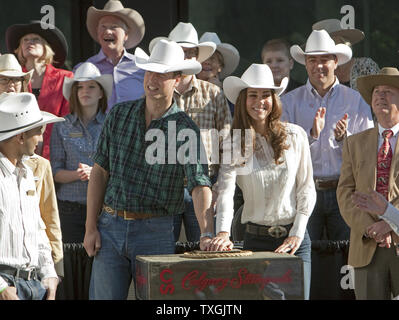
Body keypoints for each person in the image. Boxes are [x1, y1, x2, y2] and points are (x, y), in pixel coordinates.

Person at [83, 39, 232, 300]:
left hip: (156, 230)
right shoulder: (118, 114)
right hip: (110, 226)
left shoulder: (185, 128)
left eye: (161, 74)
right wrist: (90, 226)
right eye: (150, 71)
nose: (152, 80)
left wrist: (207, 232)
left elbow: (199, 184)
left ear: (177, 79)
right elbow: (99, 172)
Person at [210, 63, 316, 299]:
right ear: (243, 101)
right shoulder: (235, 143)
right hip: (254, 241)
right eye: (253, 95)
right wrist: (224, 232)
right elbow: (226, 193)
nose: (260, 101)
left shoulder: (295, 134)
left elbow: (306, 188)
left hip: (295, 240)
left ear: (274, 99)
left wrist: (297, 232)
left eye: (266, 95)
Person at [281, 29, 374, 241]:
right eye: (312, 60)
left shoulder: (356, 100)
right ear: (305, 63)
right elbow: (283, 150)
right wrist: (312, 134)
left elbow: (367, 151)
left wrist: (345, 139)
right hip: (303, 190)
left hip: (345, 190)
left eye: (324, 59)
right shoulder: (289, 102)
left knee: (348, 254)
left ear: (335, 62)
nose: (318, 66)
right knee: (304, 252)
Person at [150, 22, 232, 243]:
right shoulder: (156, 94)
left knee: (205, 251)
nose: (186, 57)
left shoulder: (214, 93)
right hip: (166, 186)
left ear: (197, 57)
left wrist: (218, 188)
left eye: (190, 52)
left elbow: (227, 145)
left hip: (206, 182)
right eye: (181, 52)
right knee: (163, 253)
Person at [337, 67, 399, 299]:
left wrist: (390, 223)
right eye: (377, 91)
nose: (380, 96)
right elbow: (345, 193)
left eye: (388, 91)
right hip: (367, 244)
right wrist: (370, 228)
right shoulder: (354, 143)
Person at [0, 53, 63, 278]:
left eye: (15, 80)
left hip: (33, 272)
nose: (10, 86)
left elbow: (47, 221)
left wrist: (55, 272)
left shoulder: (38, 165)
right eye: (3, 79)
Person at [50, 62, 112, 243]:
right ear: (75, 93)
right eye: (80, 87)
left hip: (105, 208)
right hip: (70, 209)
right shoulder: (61, 125)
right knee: (72, 265)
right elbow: (54, 171)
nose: (86, 91)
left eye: (92, 86)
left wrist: (96, 173)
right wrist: (79, 174)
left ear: (101, 93)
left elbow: (119, 166)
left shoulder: (111, 124)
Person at [6, 20, 74, 160]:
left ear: (46, 47)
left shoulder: (65, 77)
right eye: (25, 40)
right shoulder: (14, 79)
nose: (29, 42)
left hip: (57, 153)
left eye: (35, 39)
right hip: (19, 151)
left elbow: (68, 120)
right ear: (19, 48)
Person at [77, 0, 146, 111]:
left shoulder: (141, 67)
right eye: (103, 27)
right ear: (97, 32)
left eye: (114, 27)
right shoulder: (84, 69)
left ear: (126, 35)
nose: (108, 31)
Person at [312, 19, 380, 91]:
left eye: (331, 43)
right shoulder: (320, 72)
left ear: (343, 43)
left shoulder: (365, 66)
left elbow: (381, 93)